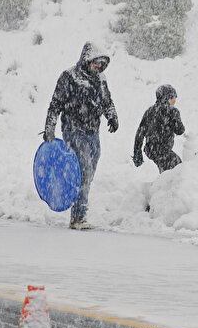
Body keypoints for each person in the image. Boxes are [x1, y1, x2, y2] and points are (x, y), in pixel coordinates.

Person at [43, 41, 119, 229]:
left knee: (89, 172)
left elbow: (107, 101)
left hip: (93, 131)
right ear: (86, 60)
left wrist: (112, 116)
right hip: (73, 130)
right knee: (83, 171)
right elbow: (55, 104)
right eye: (96, 63)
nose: (98, 67)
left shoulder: (100, 79)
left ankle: (79, 211)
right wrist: (49, 127)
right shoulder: (69, 77)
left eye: (101, 64)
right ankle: (78, 218)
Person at [133, 84, 185, 172]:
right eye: (172, 100)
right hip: (161, 150)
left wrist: (137, 152)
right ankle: (167, 184)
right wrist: (175, 118)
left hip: (150, 149)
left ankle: (163, 183)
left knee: (167, 170)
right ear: (166, 99)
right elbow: (180, 130)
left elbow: (140, 133)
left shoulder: (149, 111)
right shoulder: (172, 111)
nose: (174, 102)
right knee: (178, 168)